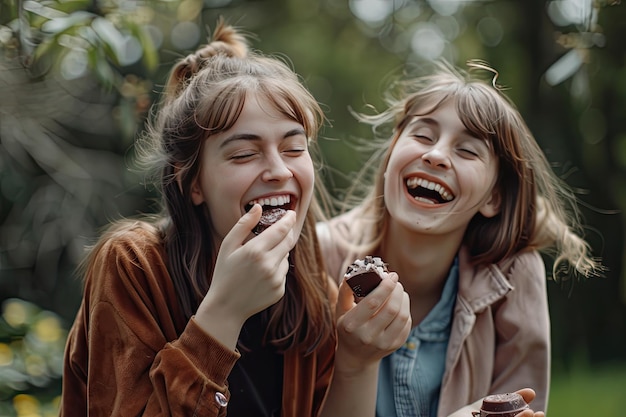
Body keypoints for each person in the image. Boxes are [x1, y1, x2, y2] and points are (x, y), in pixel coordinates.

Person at [60, 19, 411, 417]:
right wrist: (223, 314)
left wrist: (358, 363)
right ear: (191, 181)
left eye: (294, 148)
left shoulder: (310, 288)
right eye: (244, 154)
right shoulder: (134, 266)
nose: (279, 170)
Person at [317, 60, 603, 417]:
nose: (435, 155)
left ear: (493, 198)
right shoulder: (318, 258)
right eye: (422, 135)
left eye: (467, 151)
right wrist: (354, 362)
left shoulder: (514, 277)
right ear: (391, 155)